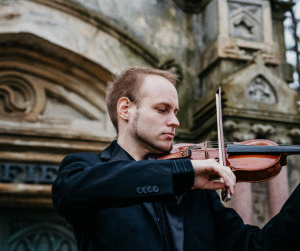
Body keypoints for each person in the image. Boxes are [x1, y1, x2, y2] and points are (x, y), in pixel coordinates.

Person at [52, 67, 299, 251]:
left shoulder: (195, 190)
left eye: (176, 112)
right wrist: (182, 173)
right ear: (125, 109)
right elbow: (73, 191)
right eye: (162, 110)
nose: (175, 121)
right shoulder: (84, 169)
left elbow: (256, 246)